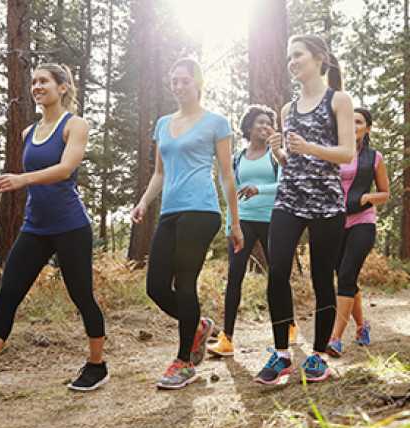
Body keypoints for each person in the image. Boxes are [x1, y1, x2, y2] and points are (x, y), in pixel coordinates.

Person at [0, 63, 108, 405]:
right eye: (33, 82)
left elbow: (64, 170)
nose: (36, 86)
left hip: (71, 226)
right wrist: (22, 181)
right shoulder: (27, 133)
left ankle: (97, 363)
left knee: (81, 296)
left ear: (63, 87)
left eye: (43, 81)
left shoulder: (74, 125)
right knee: (7, 296)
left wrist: (21, 179)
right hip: (35, 227)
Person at [131, 58, 243, 390]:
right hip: (170, 211)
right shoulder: (163, 124)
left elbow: (226, 175)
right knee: (155, 286)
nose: (178, 86)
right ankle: (197, 326)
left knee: (186, 283)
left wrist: (234, 222)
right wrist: (144, 202)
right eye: (173, 81)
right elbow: (160, 173)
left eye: (184, 80)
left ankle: (183, 362)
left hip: (202, 210)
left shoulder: (216, 123)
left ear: (197, 82)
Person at [255, 35, 355, 385]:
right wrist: (279, 151)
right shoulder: (287, 109)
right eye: (289, 57)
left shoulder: (338, 100)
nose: (291, 62)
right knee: (278, 269)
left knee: (320, 278)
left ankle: (318, 356)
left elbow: (347, 154)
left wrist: (309, 145)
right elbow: (292, 160)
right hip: (290, 198)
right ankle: (281, 354)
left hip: (327, 202)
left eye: (297, 55)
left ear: (318, 58)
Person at [207, 105, 297, 357]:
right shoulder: (237, 157)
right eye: (259, 122)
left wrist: (260, 188)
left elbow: (286, 184)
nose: (264, 126)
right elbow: (231, 192)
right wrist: (229, 225)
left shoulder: (275, 155)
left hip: (273, 219)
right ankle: (227, 338)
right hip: (243, 220)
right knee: (235, 276)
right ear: (248, 127)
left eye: (269, 122)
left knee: (278, 276)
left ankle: (288, 325)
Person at [326, 108, 389, 357]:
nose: (353, 125)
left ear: (367, 128)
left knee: (347, 274)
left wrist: (366, 196)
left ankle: (335, 339)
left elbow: (385, 193)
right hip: (334, 222)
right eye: (348, 120)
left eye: (359, 121)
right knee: (345, 277)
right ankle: (362, 326)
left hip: (363, 221)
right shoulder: (332, 153)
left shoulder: (374, 157)